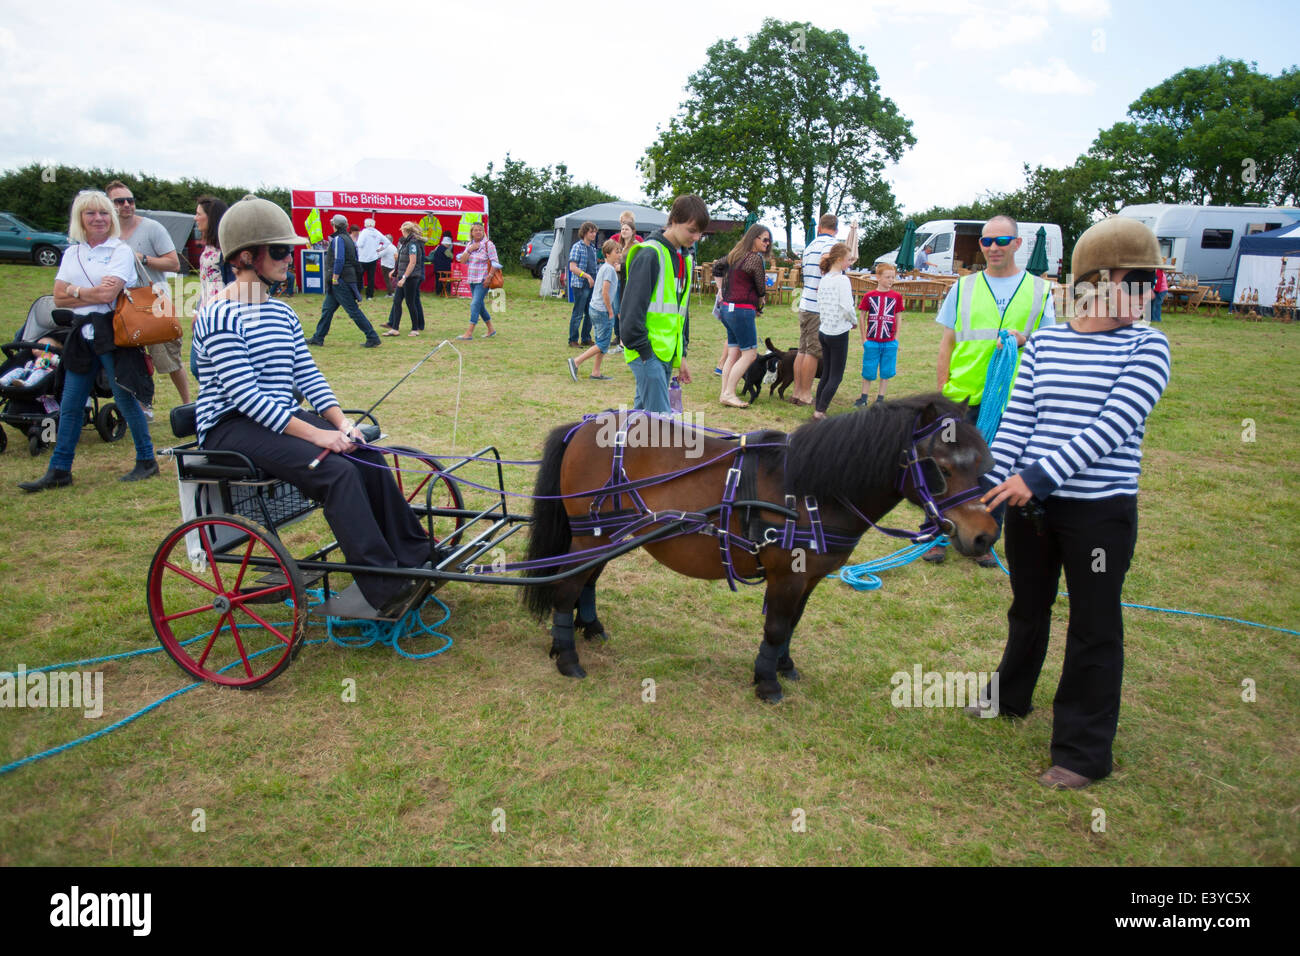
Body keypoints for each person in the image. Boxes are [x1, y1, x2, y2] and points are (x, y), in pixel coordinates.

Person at [976, 217, 1171, 790]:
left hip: (1098, 513)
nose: (1152, 293)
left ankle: (1083, 752)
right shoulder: (1049, 342)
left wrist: (1033, 478)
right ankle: (1010, 698)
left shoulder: (1149, 347)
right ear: (1099, 279)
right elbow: (1018, 422)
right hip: (1034, 509)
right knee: (1027, 607)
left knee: (1093, 624)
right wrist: (989, 489)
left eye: (1153, 281)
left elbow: (1112, 428)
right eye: (1143, 280)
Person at [193, 195, 432, 619]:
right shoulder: (219, 315)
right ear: (246, 257)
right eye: (282, 251)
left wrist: (341, 423)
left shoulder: (282, 314)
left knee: (365, 453)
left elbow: (307, 375)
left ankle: (417, 556)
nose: (292, 258)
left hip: (273, 417)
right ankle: (384, 583)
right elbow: (245, 397)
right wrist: (320, 435)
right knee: (335, 470)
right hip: (230, 424)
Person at [925, 214, 1056, 567]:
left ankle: (984, 537)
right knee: (945, 467)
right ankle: (935, 534)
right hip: (961, 395)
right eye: (987, 241)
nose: (993, 248)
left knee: (994, 469)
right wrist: (943, 391)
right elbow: (947, 342)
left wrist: (1024, 339)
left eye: (1001, 241)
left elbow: (1048, 342)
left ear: (1017, 244)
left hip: (1010, 401)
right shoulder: (964, 287)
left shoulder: (1040, 291)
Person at [19, 190, 157, 491]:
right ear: (80, 218)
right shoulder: (73, 253)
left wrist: (76, 291)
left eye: (104, 213)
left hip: (113, 331)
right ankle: (59, 469)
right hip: (81, 333)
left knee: (124, 397)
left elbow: (109, 295)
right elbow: (58, 298)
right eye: (91, 213)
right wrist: (85, 293)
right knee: (70, 403)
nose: (99, 219)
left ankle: (146, 460)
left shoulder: (120, 251)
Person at [621, 195, 709, 413]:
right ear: (674, 220)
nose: (696, 237)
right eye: (691, 230)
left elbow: (681, 315)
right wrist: (647, 355)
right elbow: (630, 315)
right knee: (662, 426)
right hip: (646, 352)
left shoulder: (685, 259)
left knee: (642, 419)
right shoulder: (650, 254)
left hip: (666, 354)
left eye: (700, 232)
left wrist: (682, 356)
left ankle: (620, 447)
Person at [107, 180, 190, 405]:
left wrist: (142, 258)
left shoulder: (152, 228)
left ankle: (188, 405)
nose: (127, 204)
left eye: (130, 200)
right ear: (109, 205)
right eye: (120, 201)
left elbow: (174, 264)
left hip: (154, 302)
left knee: (169, 359)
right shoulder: (107, 232)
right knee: (130, 360)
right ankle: (144, 404)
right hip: (121, 305)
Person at [717, 224, 771, 409]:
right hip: (742, 310)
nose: (767, 243)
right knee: (749, 354)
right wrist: (761, 301)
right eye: (764, 239)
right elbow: (761, 287)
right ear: (754, 238)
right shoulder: (754, 258)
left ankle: (724, 392)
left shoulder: (735, 255)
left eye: (769, 240)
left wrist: (721, 290)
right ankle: (729, 393)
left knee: (733, 353)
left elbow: (717, 266)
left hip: (727, 309)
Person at [307, 214, 381, 348]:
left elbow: (339, 259)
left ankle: (372, 336)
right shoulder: (347, 238)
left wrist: (335, 277)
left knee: (353, 310)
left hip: (340, 280)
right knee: (327, 309)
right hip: (345, 279)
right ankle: (318, 337)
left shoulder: (338, 239)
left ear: (334, 225)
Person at [793, 214, 841, 406]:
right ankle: (805, 394)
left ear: (819, 227)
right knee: (813, 352)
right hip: (819, 306)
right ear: (836, 229)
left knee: (802, 350)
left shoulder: (810, 246)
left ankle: (796, 392)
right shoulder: (834, 248)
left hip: (804, 302)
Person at [190, 196, 234, 378]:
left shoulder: (226, 250)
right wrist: (197, 311)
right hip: (205, 313)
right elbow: (206, 285)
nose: (195, 218)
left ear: (211, 217)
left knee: (200, 366)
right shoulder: (208, 247)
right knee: (199, 366)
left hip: (219, 315)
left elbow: (233, 284)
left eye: (198, 214)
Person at [567, 239, 621, 382]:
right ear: (607, 254)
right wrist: (610, 311)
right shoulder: (609, 270)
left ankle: (596, 372)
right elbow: (605, 292)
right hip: (602, 310)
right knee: (603, 343)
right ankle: (576, 361)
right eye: (617, 252)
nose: (619, 255)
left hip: (594, 308)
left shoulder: (605, 267)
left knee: (600, 342)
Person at [812, 242, 855, 420]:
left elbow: (821, 303)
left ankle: (819, 405)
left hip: (824, 330)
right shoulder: (842, 280)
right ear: (839, 260)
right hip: (838, 332)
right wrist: (853, 321)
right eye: (848, 260)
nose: (849, 263)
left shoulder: (825, 279)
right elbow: (847, 306)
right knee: (835, 376)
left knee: (827, 373)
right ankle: (820, 410)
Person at [855, 263, 904, 406]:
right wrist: (864, 338)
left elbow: (899, 317)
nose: (890, 280)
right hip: (872, 341)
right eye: (887, 277)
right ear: (878, 277)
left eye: (893, 277)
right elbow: (862, 316)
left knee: (886, 371)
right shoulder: (869, 296)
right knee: (868, 370)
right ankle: (863, 398)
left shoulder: (897, 297)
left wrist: (896, 338)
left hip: (889, 341)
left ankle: (880, 399)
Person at [455, 222, 500, 340]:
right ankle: (491, 329)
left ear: (483, 231)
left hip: (483, 279)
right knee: (479, 305)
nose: (478, 232)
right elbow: (463, 261)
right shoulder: (470, 244)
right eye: (475, 230)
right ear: (471, 232)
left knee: (474, 304)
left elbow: (495, 262)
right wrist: (469, 250)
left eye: (480, 230)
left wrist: (489, 277)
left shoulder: (488, 245)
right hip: (472, 279)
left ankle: (469, 333)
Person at [382, 222, 425, 336]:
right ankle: (395, 328)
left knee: (410, 303)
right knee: (397, 301)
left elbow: (412, 262)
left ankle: (415, 329)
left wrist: (404, 277)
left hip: (411, 277)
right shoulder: (405, 243)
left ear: (405, 230)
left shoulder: (412, 244)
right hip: (403, 276)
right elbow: (402, 260)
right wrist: (396, 272)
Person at [567, 221, 599, 347]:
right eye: (591, 232)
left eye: (595, 232)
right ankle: (573, 340)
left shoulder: (592, 248)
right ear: (585, 233)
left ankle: (586, 338)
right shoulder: (577, 247)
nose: (594, 234)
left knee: (590, 314)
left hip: (591, 285)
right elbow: (572, 267)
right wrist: (586, 276)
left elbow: (594, 267)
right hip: (580, 285)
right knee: (578, 314)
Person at [355, 217, 384, 299]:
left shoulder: (363, 233)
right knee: (371, 278)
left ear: (365, 224)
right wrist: (378, 248)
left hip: (363, 258)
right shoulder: (377, 233)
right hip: (373, 258)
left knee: (359, 277)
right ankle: (369, 295)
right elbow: (385, 242)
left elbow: (359, 244)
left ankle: (357, 294)